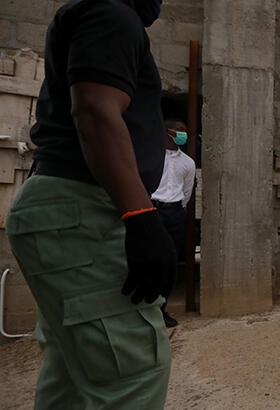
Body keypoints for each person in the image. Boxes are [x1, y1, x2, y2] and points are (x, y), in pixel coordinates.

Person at [5, 0, 173, 408]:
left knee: (74, 374)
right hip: (84, 205)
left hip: (65, 207)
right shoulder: (113, 14)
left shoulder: (100, 16)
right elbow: (96, 111)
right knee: (131, 372)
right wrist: (140, 216)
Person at [151, 119, 196, 327]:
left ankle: (161, 309)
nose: (182, 135)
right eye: (178, 131)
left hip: (175, 212)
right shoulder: (151, 156)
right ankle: (144, 309)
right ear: (166, 132)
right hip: (151, 209)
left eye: (184, 131)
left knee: (169, 261)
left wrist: (176, 209)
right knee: (149, 259)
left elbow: (187, 192)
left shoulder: (187, 163)